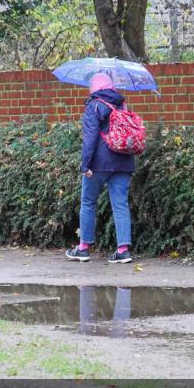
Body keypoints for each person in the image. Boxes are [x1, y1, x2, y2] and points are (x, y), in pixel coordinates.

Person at [66, 72, 134, 263]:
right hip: (123, 161)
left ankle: (83, 248)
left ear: (94, 87)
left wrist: (85, 165)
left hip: (99, 164)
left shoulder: (94, 106)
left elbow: (90, 139)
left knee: (88, 202)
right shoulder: (122, 104)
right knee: (120, 205)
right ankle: (123, 251)